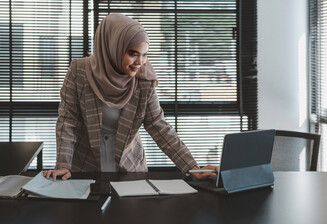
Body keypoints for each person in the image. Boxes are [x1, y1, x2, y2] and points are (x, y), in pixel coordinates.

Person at [43, 13, 218, 181]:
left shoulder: (143, 79)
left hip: (130, 171)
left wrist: (191, 166)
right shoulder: (79, 72)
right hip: (85, 168)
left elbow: (158, 125)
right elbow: (68, 121)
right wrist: (62, 164)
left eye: (145, 54)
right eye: (133, 53)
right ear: (113, 47)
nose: (140, 63)